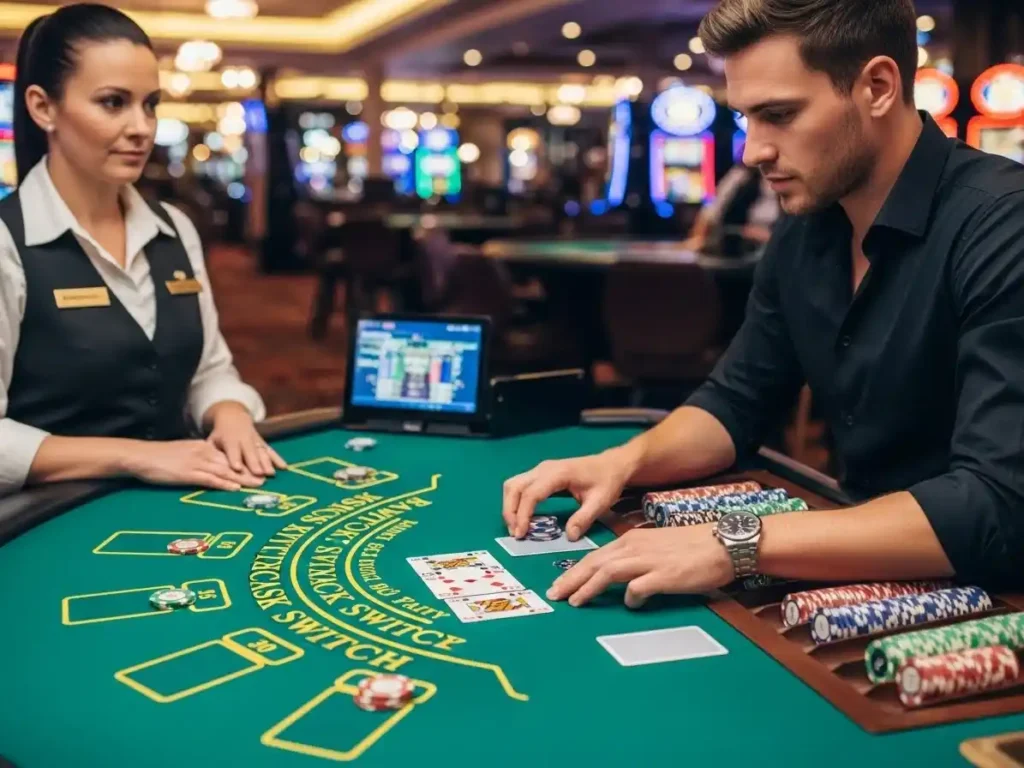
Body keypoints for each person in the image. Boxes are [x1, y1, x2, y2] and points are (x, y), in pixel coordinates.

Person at [503, 0, 1024, 607]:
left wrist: (731, 543)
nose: (753, 151)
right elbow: (737, 402)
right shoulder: (807, 226)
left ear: (878, 87)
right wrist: (624, 460)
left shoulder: (1001, 225)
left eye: (779, 115)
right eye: (748, 118)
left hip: (995, 601)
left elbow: (997, 504)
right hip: (856, 567)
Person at [0, 4, 286, 496]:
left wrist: (230, 411)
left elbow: (210, 372)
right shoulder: (8, 240)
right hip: (46, 518)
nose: (142, 127)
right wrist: (136, 456)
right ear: (43, 107)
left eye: (149, 103)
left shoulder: (174, 227)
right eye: (113, 103)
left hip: (175, 506)